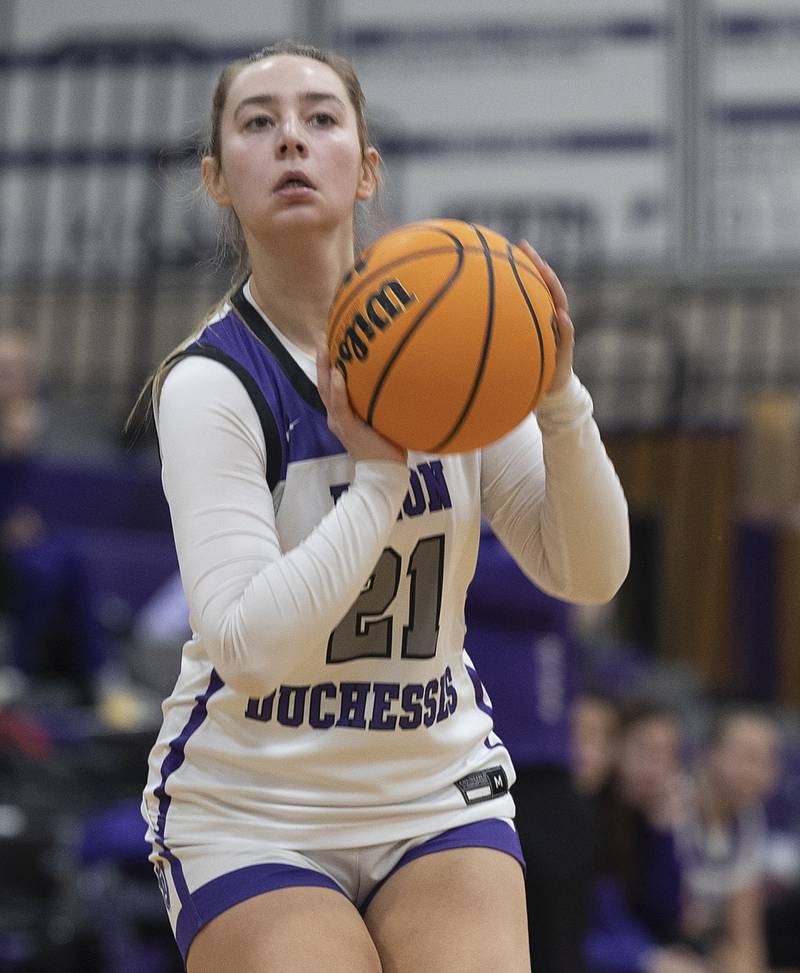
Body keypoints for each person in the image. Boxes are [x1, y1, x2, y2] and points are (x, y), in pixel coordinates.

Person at [134, 39, 629, 973]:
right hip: (253, 805)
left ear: (365, 169)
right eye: (258, 123)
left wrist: (560, 401)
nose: (290, 138)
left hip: (433, 787)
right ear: (216, 179)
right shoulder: (212, 384)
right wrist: (378, 482)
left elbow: (589, 571)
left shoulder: (454, 339)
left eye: (319, 118)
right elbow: (243, 644)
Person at [464, 525, 599, 973]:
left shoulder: (538, 544)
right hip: (478, 774)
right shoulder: (466, 538)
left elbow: (576, 580)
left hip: (547, 775)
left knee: (557, 945)